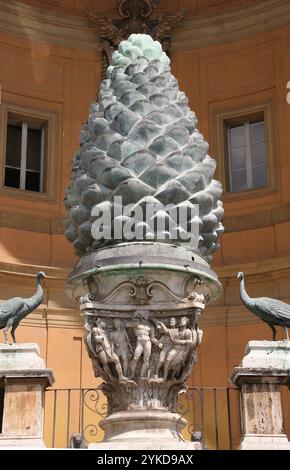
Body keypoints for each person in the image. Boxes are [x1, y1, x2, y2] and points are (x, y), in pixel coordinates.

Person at [126, 310, 158, 379]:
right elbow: (127, 325)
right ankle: (132, 374)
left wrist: (158, 343)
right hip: (139, 342)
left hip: (147, 342)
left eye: (147, 315)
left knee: (146, 359)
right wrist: (134, 322)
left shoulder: (151, 326)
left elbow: (152, 338)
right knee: (135, 358)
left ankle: (142, 376)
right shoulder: (137, 323)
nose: (146, 316)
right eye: (145, 315)